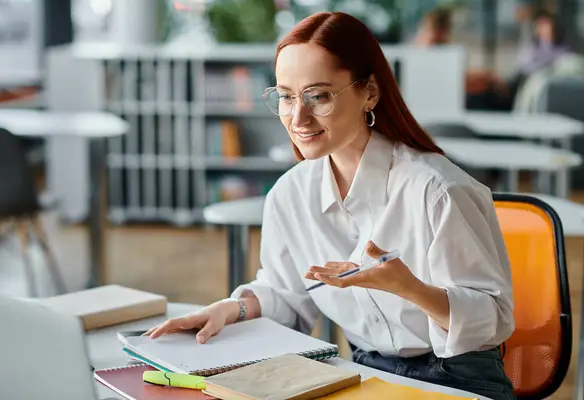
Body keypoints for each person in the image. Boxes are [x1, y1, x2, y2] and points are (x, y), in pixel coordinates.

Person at [147, 12, 516, 400]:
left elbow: (494, 319)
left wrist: (409, 288)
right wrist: (232, 309)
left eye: (318, 96)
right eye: (287, 97)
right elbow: (288, 298)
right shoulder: (290, 195)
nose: (298, 117)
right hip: (364, 371)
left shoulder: (437, 191)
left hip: (458, 376)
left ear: (369, 92)